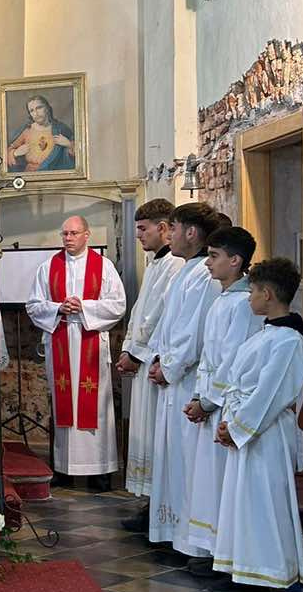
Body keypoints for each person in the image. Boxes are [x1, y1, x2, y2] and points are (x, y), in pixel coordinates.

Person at [210, 257, 303, 592]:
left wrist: (237, 427)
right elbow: (239, 382)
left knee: (266, 502)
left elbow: (270, 394)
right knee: (244, 502)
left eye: (253, 291)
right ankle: (246, 567)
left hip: (266, 435)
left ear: (268, 294)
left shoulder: (289, 341)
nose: (249, 297)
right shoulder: (266, 333)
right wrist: (228, 421)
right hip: (248, 431)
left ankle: (276, 575)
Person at [178, 226, 263, 574]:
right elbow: (209, 356)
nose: (208, 263)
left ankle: (229, 558)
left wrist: (209, 401)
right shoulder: (223, 298)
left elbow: (233, 361)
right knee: (211, 482)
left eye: (214, 256)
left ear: (235, 260)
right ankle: (215, 551)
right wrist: (199, 394)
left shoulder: (243, 304)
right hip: (212, 403)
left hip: (228, 407)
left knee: (226, 485)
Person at [26, 215, 127, 491]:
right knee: (63, 404)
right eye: (64, 234)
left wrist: (83, 307)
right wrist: (58, 308)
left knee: (97, 407)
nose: (68, 238)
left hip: (89, 338)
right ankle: (64, 468)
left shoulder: (103, 266)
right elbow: (33, 305)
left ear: (87, 235)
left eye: (73, 233)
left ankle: (100, 470)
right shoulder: (49, 267)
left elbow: (118, 305)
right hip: (60, 337)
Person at [145, 202, 224, 553]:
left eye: (174, 228)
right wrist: (159, 357)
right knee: (174, 460)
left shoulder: (204, 276)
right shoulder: (188, 271)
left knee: (189, 464)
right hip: (175, 379)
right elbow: (170, 323)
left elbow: (195, 331)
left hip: (189, 380)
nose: (169, 235)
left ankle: (193, 541)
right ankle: (175, 532)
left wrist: (169, 365)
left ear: (191, 233)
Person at [118, 199, 184, 528]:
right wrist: (128, 347)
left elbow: (159, 315)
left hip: (156, 359)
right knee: (145, 433)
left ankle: (158, 509)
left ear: (163, 228)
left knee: (156, 435)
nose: (139, 236)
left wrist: (136, 351)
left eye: (143, 229)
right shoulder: (157, 263)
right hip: (145, 359)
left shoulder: (174, 264)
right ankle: (150, 505)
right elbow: (141, 311)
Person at [5, 95, 76, 172]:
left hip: (54, 174)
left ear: (47, 108)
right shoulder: (27, 130)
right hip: (30, 175)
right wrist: (15, 153)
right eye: (31, 110)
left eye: (39, 108)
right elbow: (6, 152)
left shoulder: (61, 129)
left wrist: (69, 144)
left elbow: (81, 155)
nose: (36, 113)